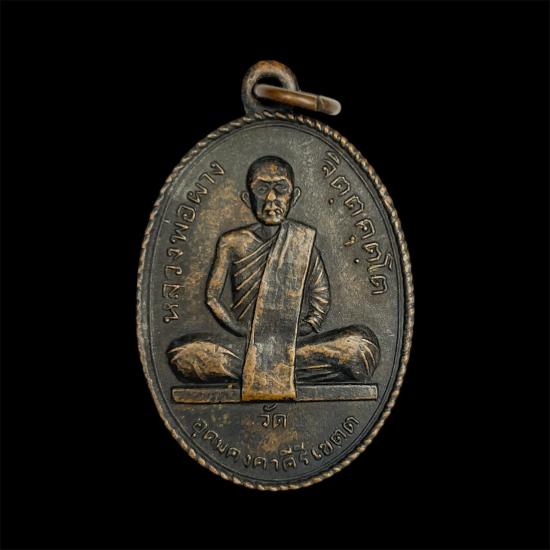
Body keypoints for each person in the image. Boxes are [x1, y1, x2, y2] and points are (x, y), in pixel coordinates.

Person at [168, 156, 379, 399]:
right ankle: (275, 369)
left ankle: (260, 370)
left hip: (292, 344)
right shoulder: (232, 242)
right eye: (261, 189)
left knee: (360, 348)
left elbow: (320, 300)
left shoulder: (302, 241)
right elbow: (212, 297)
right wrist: (240, 329)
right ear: (247, 198)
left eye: (280, 189)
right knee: (183, 355)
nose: (271, 199)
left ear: (293, 197)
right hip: (246, 345)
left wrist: (297, 331)